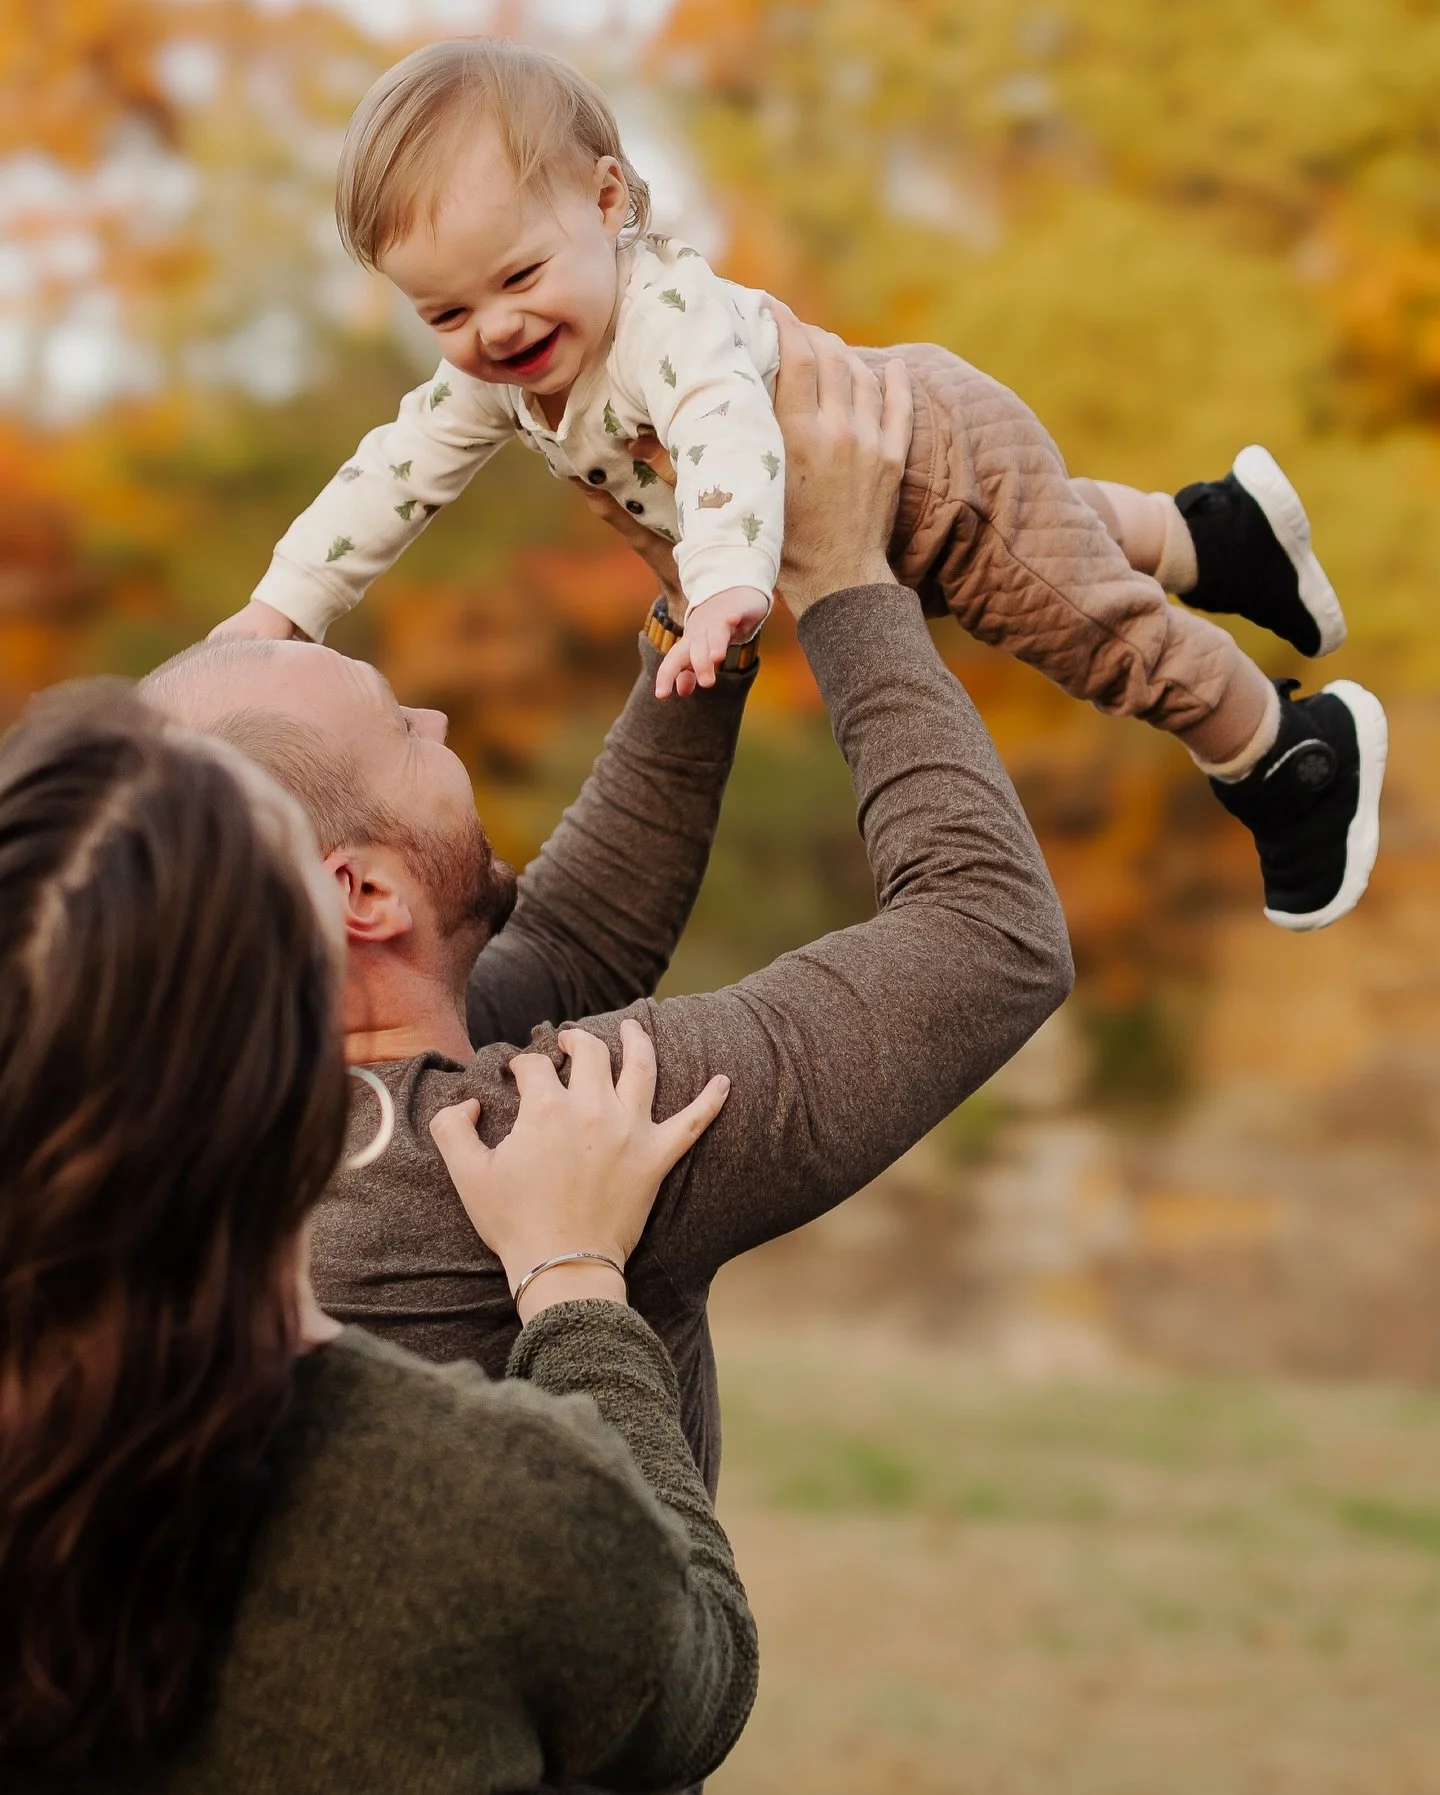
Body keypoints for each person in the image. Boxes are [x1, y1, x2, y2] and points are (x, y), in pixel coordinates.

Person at [143, 310, 1075, 1499]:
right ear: (362, 891)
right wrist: (847, 585)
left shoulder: (220, 1124)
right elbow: (989, 935)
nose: (436, 723)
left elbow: (573, 942)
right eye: (398, 727)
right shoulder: (550, 1135)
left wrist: (703, 627)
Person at [212, 36, 1386, 933]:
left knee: (1090, 629)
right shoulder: (502, 372)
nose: (495, 327)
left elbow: (724, 429)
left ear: (609, 205)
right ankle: (1213, 532)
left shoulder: (664, 317)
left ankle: (1286, 751)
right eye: (446, 312)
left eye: (518, 275)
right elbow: (392, 476)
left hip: (932, 468)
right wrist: (283, 609)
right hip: (903, 472)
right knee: (1069, 529)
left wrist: (725, 582)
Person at [0, 684, 758, 1792]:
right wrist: (576, 1283)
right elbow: (697, 1688)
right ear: (306, 1058)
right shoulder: (491, 1502)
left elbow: (571, 935)